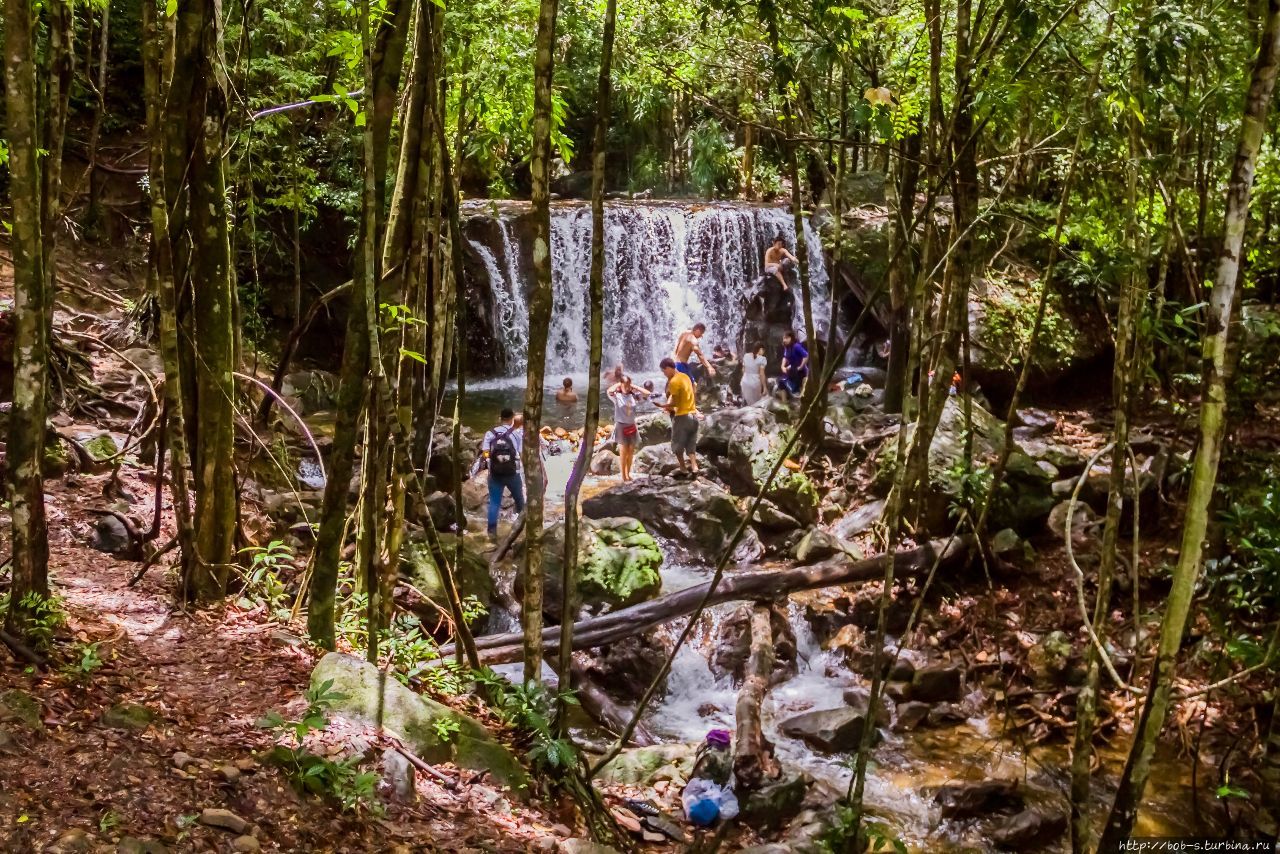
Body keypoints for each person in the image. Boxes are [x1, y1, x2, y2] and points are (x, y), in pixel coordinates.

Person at [481, 408, 525, 539]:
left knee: (494, 502)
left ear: (500, 418)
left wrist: (491, 461)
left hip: (495, 474)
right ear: (512, 419)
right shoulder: (516, 434)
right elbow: (520, 454)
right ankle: (522, 528)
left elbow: (485, 452)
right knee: (520, 500)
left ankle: (492, 532)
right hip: (513, 474)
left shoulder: (490, 433)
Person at [659, 357, 699, 478]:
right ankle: (694, 466)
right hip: (693, 415)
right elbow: (692, 391)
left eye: (664, 371)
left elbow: (674, 403)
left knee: (677, 444)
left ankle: (683, 467)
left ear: (668, 368)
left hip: (682, 417)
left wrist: (663, 405)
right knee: (691, 443)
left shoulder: (673, 382)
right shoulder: (685, 377)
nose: (664, 374)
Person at [608, 375, 642, 482]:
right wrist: (619, 384)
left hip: (632, 425)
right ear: (621, 385)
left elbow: (647, 393)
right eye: (625, 386)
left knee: (631, 451)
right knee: (623, 451)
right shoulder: (616, 396)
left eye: (628, 386)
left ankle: (628, 473)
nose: (627, 388)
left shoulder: (634, 396)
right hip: (621, 425)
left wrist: (633, 386)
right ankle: (623, 475)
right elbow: (609, 391)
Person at [780, 330, 809, 397]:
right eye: (784, 338)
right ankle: (785, 402)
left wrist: (801, 366)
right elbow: (785, 357)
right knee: (781, 383)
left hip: (800, 371)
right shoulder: (787, 348)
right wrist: (782, 366)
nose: (784, 340)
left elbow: (806, 355)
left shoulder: (796, 346)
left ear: (791, 338)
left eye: (786, 338)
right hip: (792, 370)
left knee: (799, 387)